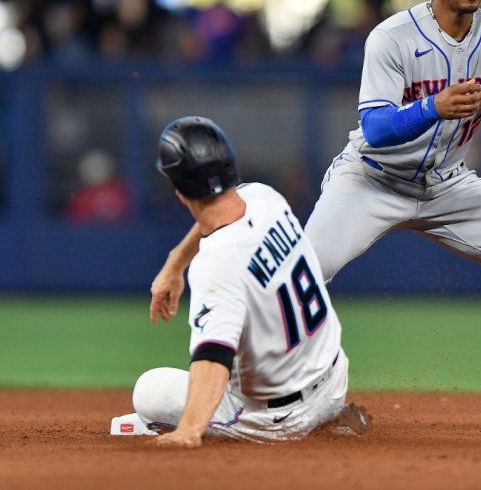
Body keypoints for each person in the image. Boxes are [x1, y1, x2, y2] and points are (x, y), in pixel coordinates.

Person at [150, 0, 481, 434]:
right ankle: (241, 396)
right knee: (295, 281)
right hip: (369, 180)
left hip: (448, 184)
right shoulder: (392, 36)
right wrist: (435, 105)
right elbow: (376, 128)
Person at [112, 116, 368, 446]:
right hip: (334, 383)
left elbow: (213, 357)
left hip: (278, 419)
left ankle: (213, 427)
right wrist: (174, 264)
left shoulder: (216, 263)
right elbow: (217, 212)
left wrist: (189, 431)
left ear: (178, 190)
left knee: (148, 391)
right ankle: (330, 418)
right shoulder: (266, 198)